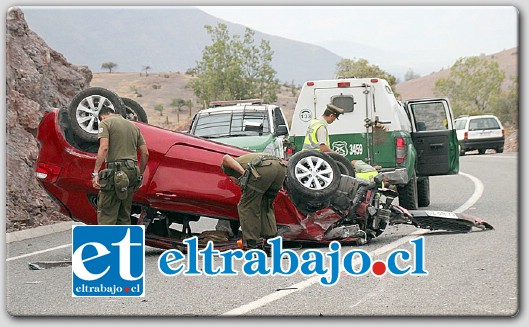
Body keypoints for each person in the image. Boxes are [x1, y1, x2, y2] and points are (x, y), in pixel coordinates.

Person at [92, 106, 149, 225]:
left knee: (107, 213)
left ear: (102, 116)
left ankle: (107, 242)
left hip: (115, 172)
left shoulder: (105, 123)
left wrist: (96, 172)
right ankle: (123, 242)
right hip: (132, 172)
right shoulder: (133, 126)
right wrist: (140, 174)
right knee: (124, 214)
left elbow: (104, 148)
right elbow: (145, 153)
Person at [220, 152, 287, 250]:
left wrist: (244, 175)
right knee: (266, 205)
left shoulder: (228, 169)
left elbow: (226, 158)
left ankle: (252, 244)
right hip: (280, 168)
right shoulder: (246, 160)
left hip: (262, 169)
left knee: (246, 206)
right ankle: (271, 243)